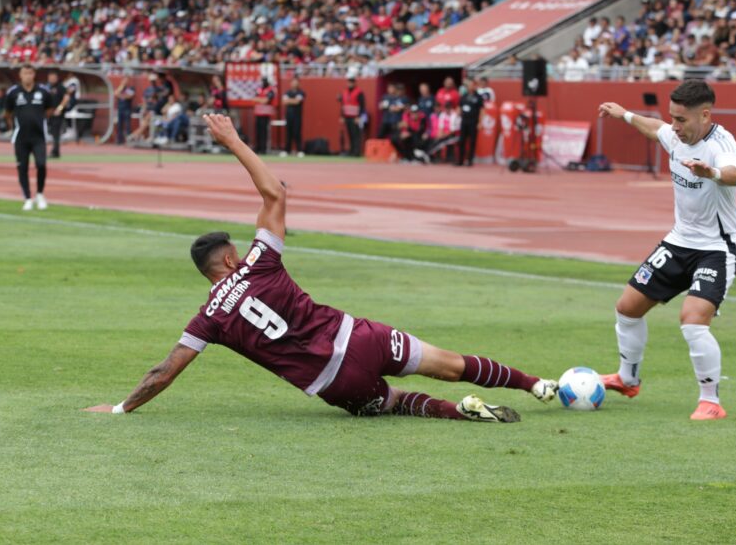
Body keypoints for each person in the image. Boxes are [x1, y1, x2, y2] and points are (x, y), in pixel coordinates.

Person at [89, 113, 558, 420]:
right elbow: (275, 193)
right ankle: (534, 384)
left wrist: (120, 407)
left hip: (336, 382)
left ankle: (460, 413)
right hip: (361, 337)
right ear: (230, 258)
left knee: (392, 402)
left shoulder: (208, 318)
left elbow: (165, 371)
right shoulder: (259, 262)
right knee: (451, 363)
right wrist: (232, 140)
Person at [597, 80, 736, 421]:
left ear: (705, 115)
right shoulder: (675, 135)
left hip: (717, 248)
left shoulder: (721, 143)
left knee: (692, 319)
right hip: (679, 241)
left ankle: (710, 401)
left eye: (682, 119)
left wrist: (712, 173)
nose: (675, 126)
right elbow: (656, 129)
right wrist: (624, 115)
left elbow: (735, 174)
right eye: (673, 118)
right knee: (628, 307)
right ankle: (627, 378)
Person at [4, 65, 56, 211]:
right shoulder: (13, 92)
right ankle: (27, 197)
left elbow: (50, 109)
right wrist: (12, 125)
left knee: (41, 164)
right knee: (22, 167)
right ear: (20, 75)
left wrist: (39, 120)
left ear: (34, 75)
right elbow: (7, 112)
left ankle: (40, 194)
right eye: (25, 73)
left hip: (39, 136)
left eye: (30, 73)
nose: (28, 76)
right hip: (21, 137)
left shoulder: (43, 91)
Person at [456, 78, 490, 166]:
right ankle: (460, 160)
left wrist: (480, 122)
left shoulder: (478, 97)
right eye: (469, 85)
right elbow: (459, 107)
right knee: (462, 141)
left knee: (472, 141)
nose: (470, 86)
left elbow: (482, 110)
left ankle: (470, 160)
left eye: (472, 85)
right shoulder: (464, 96)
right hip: (464, 121)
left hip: (473, 121)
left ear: (474, 86)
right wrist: (458, 113)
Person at [47, 71, 73, 158]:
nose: (51, 79)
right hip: (49, 113)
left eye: (53, 77)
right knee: (52, 132)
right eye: (50, 77)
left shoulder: (60, 87)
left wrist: (59, 109)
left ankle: (55, 151)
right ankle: (54, 150)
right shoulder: (48, 87)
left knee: (56, 133)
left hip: (57, 114)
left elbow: (66, 98)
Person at [339, 77, 365, 156]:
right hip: (347, 116)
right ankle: (351, 151)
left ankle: (356, 151)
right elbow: (343, 105)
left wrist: (359, 116)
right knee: (350, 134)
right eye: (348, 82)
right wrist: (342, 116)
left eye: (350, 83)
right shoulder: (345, 92)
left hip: (355, 117)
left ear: (354, 83)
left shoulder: (359, 92)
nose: (349, 84)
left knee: (356, 135)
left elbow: (362, 105)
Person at [281, 77, 305, 157]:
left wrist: (290, 101)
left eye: (295, 82)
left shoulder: (301, 92)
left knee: (297, 133)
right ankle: (287, 150)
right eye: (293, 82)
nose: (294, 84)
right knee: (288, 133)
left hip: (297, 116)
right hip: (289, 116)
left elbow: (297, 102)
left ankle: (300, 150)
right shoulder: (287, 92)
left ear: (298, 83)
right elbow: (284, 101)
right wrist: (293, 100)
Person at [253, 77, 276, 155]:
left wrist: (260, 99)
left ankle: (263, 148)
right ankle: (258, 148)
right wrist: (261, 100)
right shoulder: (259, 89)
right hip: (258, 113)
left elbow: (266, 101)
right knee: (258, 132)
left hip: (265, 114)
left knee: (264, 132)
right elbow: (254, 98)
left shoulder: (270, 90)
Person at [115, 76, 136, 146]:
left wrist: (121, 96)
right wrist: (121, 86)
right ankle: (119, 140)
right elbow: (116, 93)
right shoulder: (121, 88)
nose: (125, 82)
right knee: (119, 125)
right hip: (120, 108)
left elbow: (130, 96)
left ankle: (128, 140)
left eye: (126, 80)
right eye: (124, 80)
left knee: (127, 125)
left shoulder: (131, 88)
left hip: (127, 109)